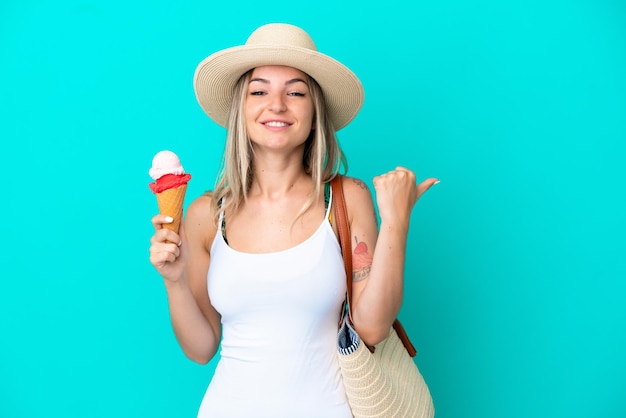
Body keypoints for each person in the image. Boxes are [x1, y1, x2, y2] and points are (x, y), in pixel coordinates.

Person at [149, 23, 438, 418]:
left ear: (315, 112)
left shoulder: (346, 198)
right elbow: (201, 349)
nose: (278, 105)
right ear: (242, 110)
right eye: (260, 91)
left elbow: (372, 328)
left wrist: (396, 223)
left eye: (296, 92)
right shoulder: (206, 214)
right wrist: (175, 280)